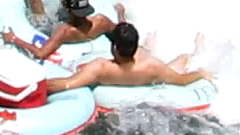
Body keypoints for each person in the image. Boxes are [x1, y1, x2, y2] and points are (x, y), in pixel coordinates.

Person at [45, 22, 213, 94]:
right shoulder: (151, 67)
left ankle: (196, 50)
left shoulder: (101, 68)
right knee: (183, 58)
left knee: (183, 58)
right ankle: (195, 50)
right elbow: (181, 80)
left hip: (124, 70)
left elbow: (67, 84)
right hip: (140, 74)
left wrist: (35, 86)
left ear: (114, 48)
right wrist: (200, 74)